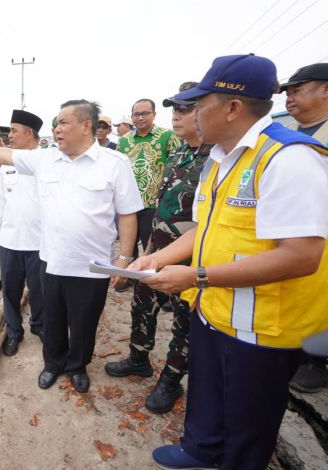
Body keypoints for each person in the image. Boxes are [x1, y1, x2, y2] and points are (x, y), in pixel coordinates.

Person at [128, 54, 328, 470]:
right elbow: (204, 230)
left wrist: (197, 276)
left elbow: (302, 257)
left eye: (199, 104)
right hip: (214, 310)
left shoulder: (289, 159)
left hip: (262, 328)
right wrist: (153, 260)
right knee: (208, 395)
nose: (191, 114)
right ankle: (200, 450)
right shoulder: (218, 159)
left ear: (233, 107)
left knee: (247, 424)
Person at [0, 99, 142, 393]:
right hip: (52, 262)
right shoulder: (45, 159)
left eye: (63, 122)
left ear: (86, 126)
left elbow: (128, 213)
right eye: (56, 123)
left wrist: (124, 257)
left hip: (93, 266)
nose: (56, 128)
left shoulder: (114, 164)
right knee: (52, 320)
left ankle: (77, 366)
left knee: (83, 323)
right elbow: (5, 155)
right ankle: (53, 364)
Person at [105, 81, 211, 414]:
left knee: (184, 320)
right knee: (142, 303)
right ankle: (139, 358)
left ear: (204, 111)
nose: (176, 116)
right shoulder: (179, 150)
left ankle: (171, 380)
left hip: (193, 255)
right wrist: (148, 248)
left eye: (184, 109)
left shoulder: (218, 156)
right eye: (174, 110)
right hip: (158, 246)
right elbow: (163, 201)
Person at [281, 62, 328, 393]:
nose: (289, 97)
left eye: (297, 89)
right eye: (287, 92)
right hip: (295, 229)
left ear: (325, 90)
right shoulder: (291, 134)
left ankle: (319, 361)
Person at [0, 109, 45, 356]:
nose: (9, 135)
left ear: (29, 133)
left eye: (13, 130)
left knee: (40, 290)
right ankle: (13, 332)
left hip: (39, 241)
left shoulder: (46, 161)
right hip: (10, 241)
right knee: (10, 291)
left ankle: (39, 326)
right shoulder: (6, 164)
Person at [116, 99, 181, 292]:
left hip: (154, 203)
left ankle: (153, 281)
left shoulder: (167, 136)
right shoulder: (124, 141)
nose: (140, 117)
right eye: (136, 114)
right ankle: (129, 277)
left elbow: (176, 166)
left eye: (145, 113)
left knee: (151, 244)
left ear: (154, 115)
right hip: (128, 203)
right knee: (128, 243)